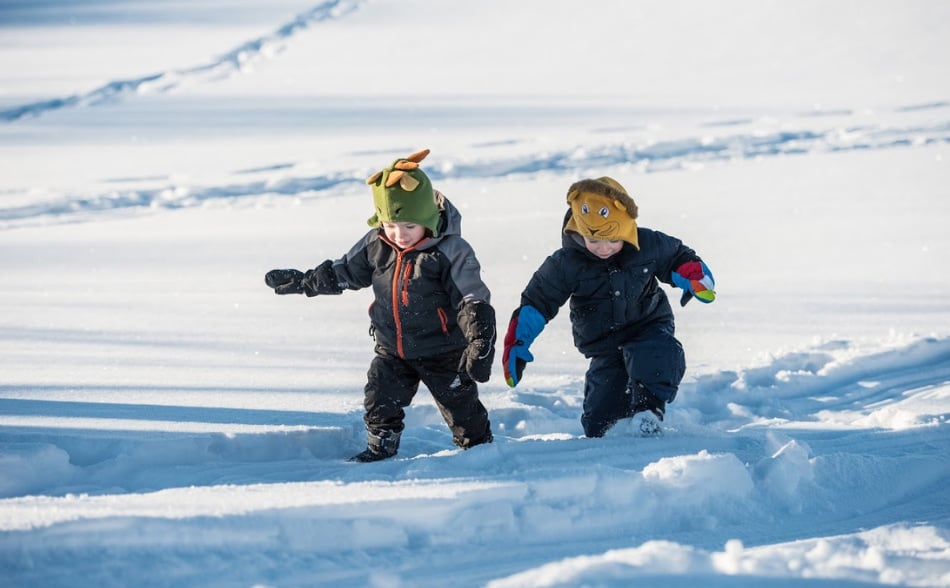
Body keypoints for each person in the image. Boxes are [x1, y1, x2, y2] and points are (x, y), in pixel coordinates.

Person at [265, 149, 496, 462]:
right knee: (379, 398)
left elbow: (472, 297)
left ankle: (480, 450)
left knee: (462, 407)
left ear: (427, 218)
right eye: (390, 225)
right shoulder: (376, 243)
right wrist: (305, 282)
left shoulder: (450, 251)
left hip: (443, 350)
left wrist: (480, 340)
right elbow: (344, 272)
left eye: (409, 227)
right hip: (392, 349)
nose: (398, 235)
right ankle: (381, 446)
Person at [502, 176, 715, 437]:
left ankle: (649, 414)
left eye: (613, 241)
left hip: (647, 325)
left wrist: (694, 277)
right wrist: (518, 342)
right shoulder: (566, 263)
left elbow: (677, 257)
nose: (604, 249)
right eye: (594, 242)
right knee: (600, 421)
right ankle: (610, 435)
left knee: (656, 354)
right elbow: (537, 301)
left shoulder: (646, 244)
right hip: (604, 343)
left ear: (625, 230)